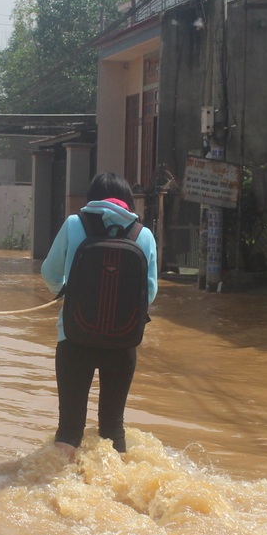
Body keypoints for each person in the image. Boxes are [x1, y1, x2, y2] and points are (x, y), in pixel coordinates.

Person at [40, 172, 158, 459]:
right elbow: (150, 293)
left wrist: (68, 292)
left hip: (74, 336)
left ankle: (56, 481)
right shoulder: (143, 235)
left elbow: (49, 273)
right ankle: (117, 483)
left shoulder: (74, 224)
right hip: (123, 341)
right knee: (113, 429)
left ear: (91, 198)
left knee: (69, 429)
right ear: (128, 200)